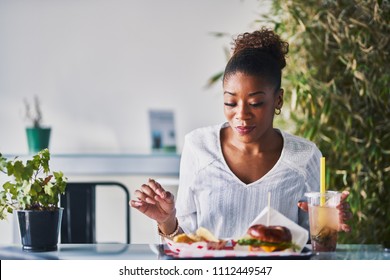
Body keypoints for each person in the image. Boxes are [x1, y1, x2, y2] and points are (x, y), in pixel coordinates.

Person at [130, 27, 352, 240]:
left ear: (278, 99)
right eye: (230, 102)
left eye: (255, 103)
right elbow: (187, 245)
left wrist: (330, 223)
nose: (241, 115)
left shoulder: (304, 156)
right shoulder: (199, 146)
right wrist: (167, 221)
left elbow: (316, 247)